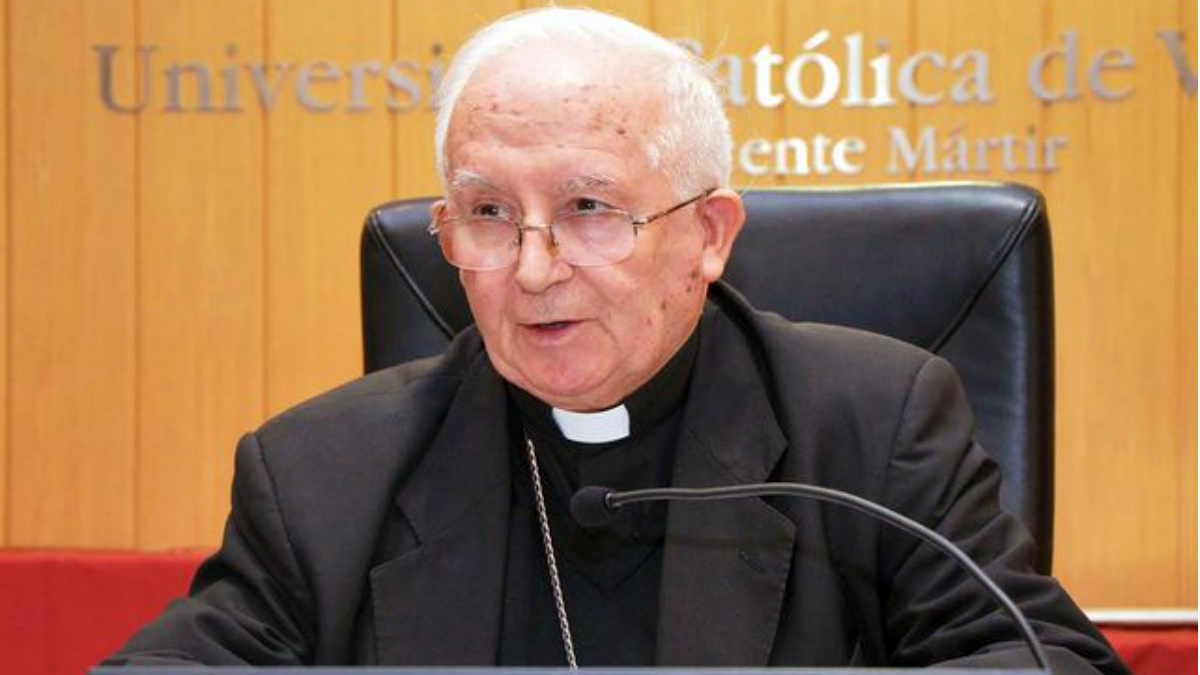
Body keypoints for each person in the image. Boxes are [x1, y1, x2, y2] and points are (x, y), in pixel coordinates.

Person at [106, 7, 1128, 673]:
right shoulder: (323, 470)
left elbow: (1044, 658)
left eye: (591, 206)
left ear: (708, 234)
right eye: (490, 214)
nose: (536, 269)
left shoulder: (871, 425)